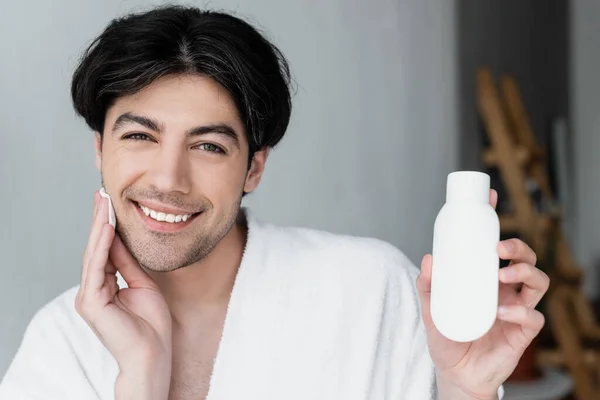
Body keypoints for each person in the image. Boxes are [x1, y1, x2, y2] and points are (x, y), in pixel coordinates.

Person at [0, 5, 549, 400]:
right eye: (140, 136)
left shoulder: (370, 290)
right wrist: (141, 380)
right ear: (100, 150)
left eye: (209, 146)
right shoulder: (59, 345)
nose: (168, 178)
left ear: (254, 168)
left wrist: (465, 388)